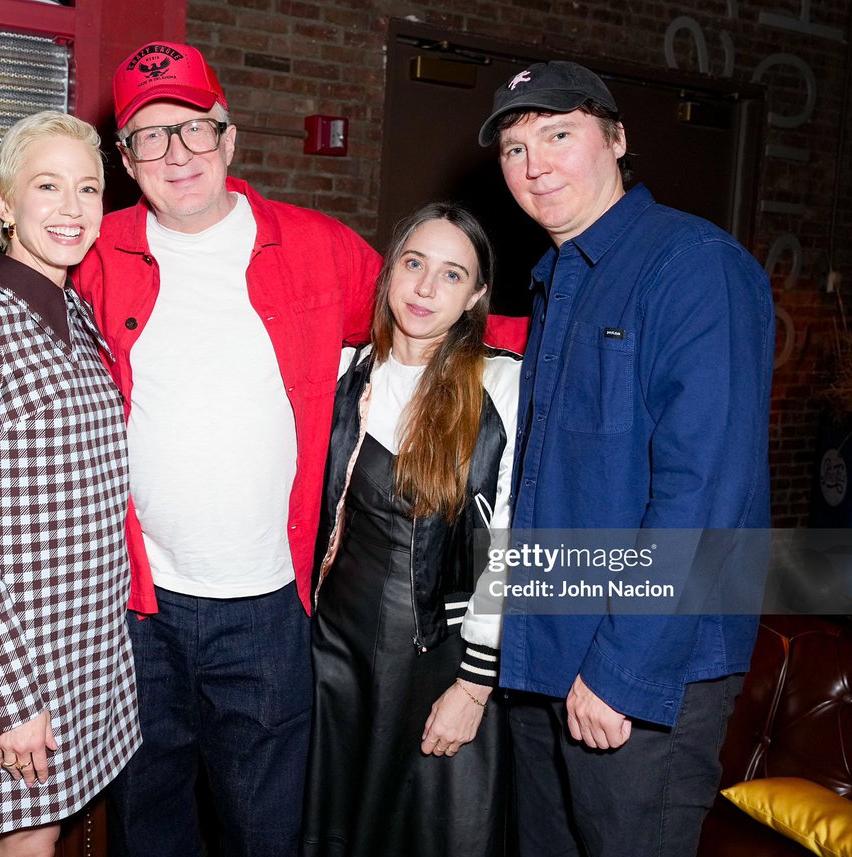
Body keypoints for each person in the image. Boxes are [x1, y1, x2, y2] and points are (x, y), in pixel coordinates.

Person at [74, 42, 384, 857]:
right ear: (126, 159)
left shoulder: (320, 247)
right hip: (135, 605)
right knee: (150, 823)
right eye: (150, 136)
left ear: (230, 139)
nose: (176, 154)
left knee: (264, 829)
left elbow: (433, 326)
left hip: (267, 605)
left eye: (194, 130)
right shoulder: (94, 255)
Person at [478, 62, 775, 856]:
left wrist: (623, 670)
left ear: (616, 138)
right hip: (545, 656)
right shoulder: (555, 279)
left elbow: (703, 492)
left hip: (638, 671)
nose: (535, 164)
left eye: (558, 134)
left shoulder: (692, 266)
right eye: (513, 148)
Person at [0, 111, 139, 857]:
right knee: (26, 844)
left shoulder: (74, 312)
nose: (72, 209)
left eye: (87, 188)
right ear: (4, 202)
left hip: (85, 645)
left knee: (34, 838)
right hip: (21, 657)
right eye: (47, 186)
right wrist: (8, 701)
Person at [302, 203, 519, 857]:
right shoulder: (346, 372)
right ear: (389, 269)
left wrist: (475, 686)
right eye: (414, 263)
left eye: (452, 275)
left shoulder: (502, 383)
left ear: (477, 295)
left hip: (442, 660)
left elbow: (507, 545)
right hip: (335, 651)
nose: (425, 288)